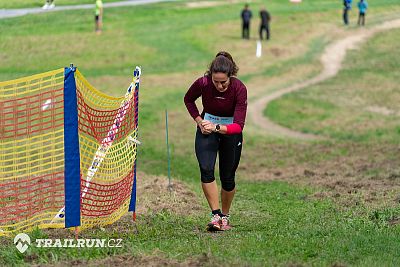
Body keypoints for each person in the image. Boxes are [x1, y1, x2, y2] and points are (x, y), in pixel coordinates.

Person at [184, 51, 248, 231]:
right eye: (216, 82)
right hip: (207, 130)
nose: (219, 86)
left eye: (223, 82)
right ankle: (216, 215)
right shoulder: (203, 83)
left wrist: (217, 128)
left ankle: (225, 217)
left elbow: (239, 126)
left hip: (230, 133)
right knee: (206, 169)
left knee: (227, 177)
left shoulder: (239, 89)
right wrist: (199, 121)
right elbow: (188, 99)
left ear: (231, 76)